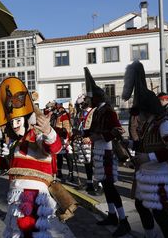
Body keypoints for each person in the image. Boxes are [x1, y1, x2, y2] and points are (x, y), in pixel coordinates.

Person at [0, 77, 61, 238]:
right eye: (12, 122)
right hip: (17, 195)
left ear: (27, 120)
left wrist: (48, 131)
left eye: (18, 120)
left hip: (33, 196)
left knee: (28, 232)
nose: (14, 125)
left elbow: (54, 147)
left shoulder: (37, 136)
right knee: (17, 232)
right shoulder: (17, 143)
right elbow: (7, 163)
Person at [122, 61, 168, 238]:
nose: (137, 115)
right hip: (147, 174)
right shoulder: (149, 124)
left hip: (160, 176)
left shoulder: (164, 124)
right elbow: (146, 146)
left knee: (161, 217)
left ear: (147, 110)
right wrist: (130, 145)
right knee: (141, 206)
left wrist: (149, 158)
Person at [83, 68, 130, 237]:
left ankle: (124, 221)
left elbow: (118, 130)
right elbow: (93, 130)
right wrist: (83, 134)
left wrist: (97, 137)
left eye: (91, 98)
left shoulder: (108, 111)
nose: (89, 100)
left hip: (107, 152)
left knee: (110, 186)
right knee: (105, 185)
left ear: (97, 98)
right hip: (99, 151)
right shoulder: (98, 111)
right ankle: (112, 215)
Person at [74, 95, 96, 193]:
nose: (80, 106)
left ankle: (99, 184)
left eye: (81, 104)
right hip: (83, 140)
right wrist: (77, 133)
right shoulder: (81, 113)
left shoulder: (94, 112)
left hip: (93, 141)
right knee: (87, 163)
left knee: (96, 163)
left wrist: (90, 137)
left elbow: (96, 127)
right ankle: (89, 182)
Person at [53, 103, 75, 182]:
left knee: (69, 156)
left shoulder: (65, 115)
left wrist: (68, 140)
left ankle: (71, 174)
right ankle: (59, 172)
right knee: (59, 157)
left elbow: (67, 129)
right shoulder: (58, 115)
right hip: (58, 138)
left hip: (65, 138)